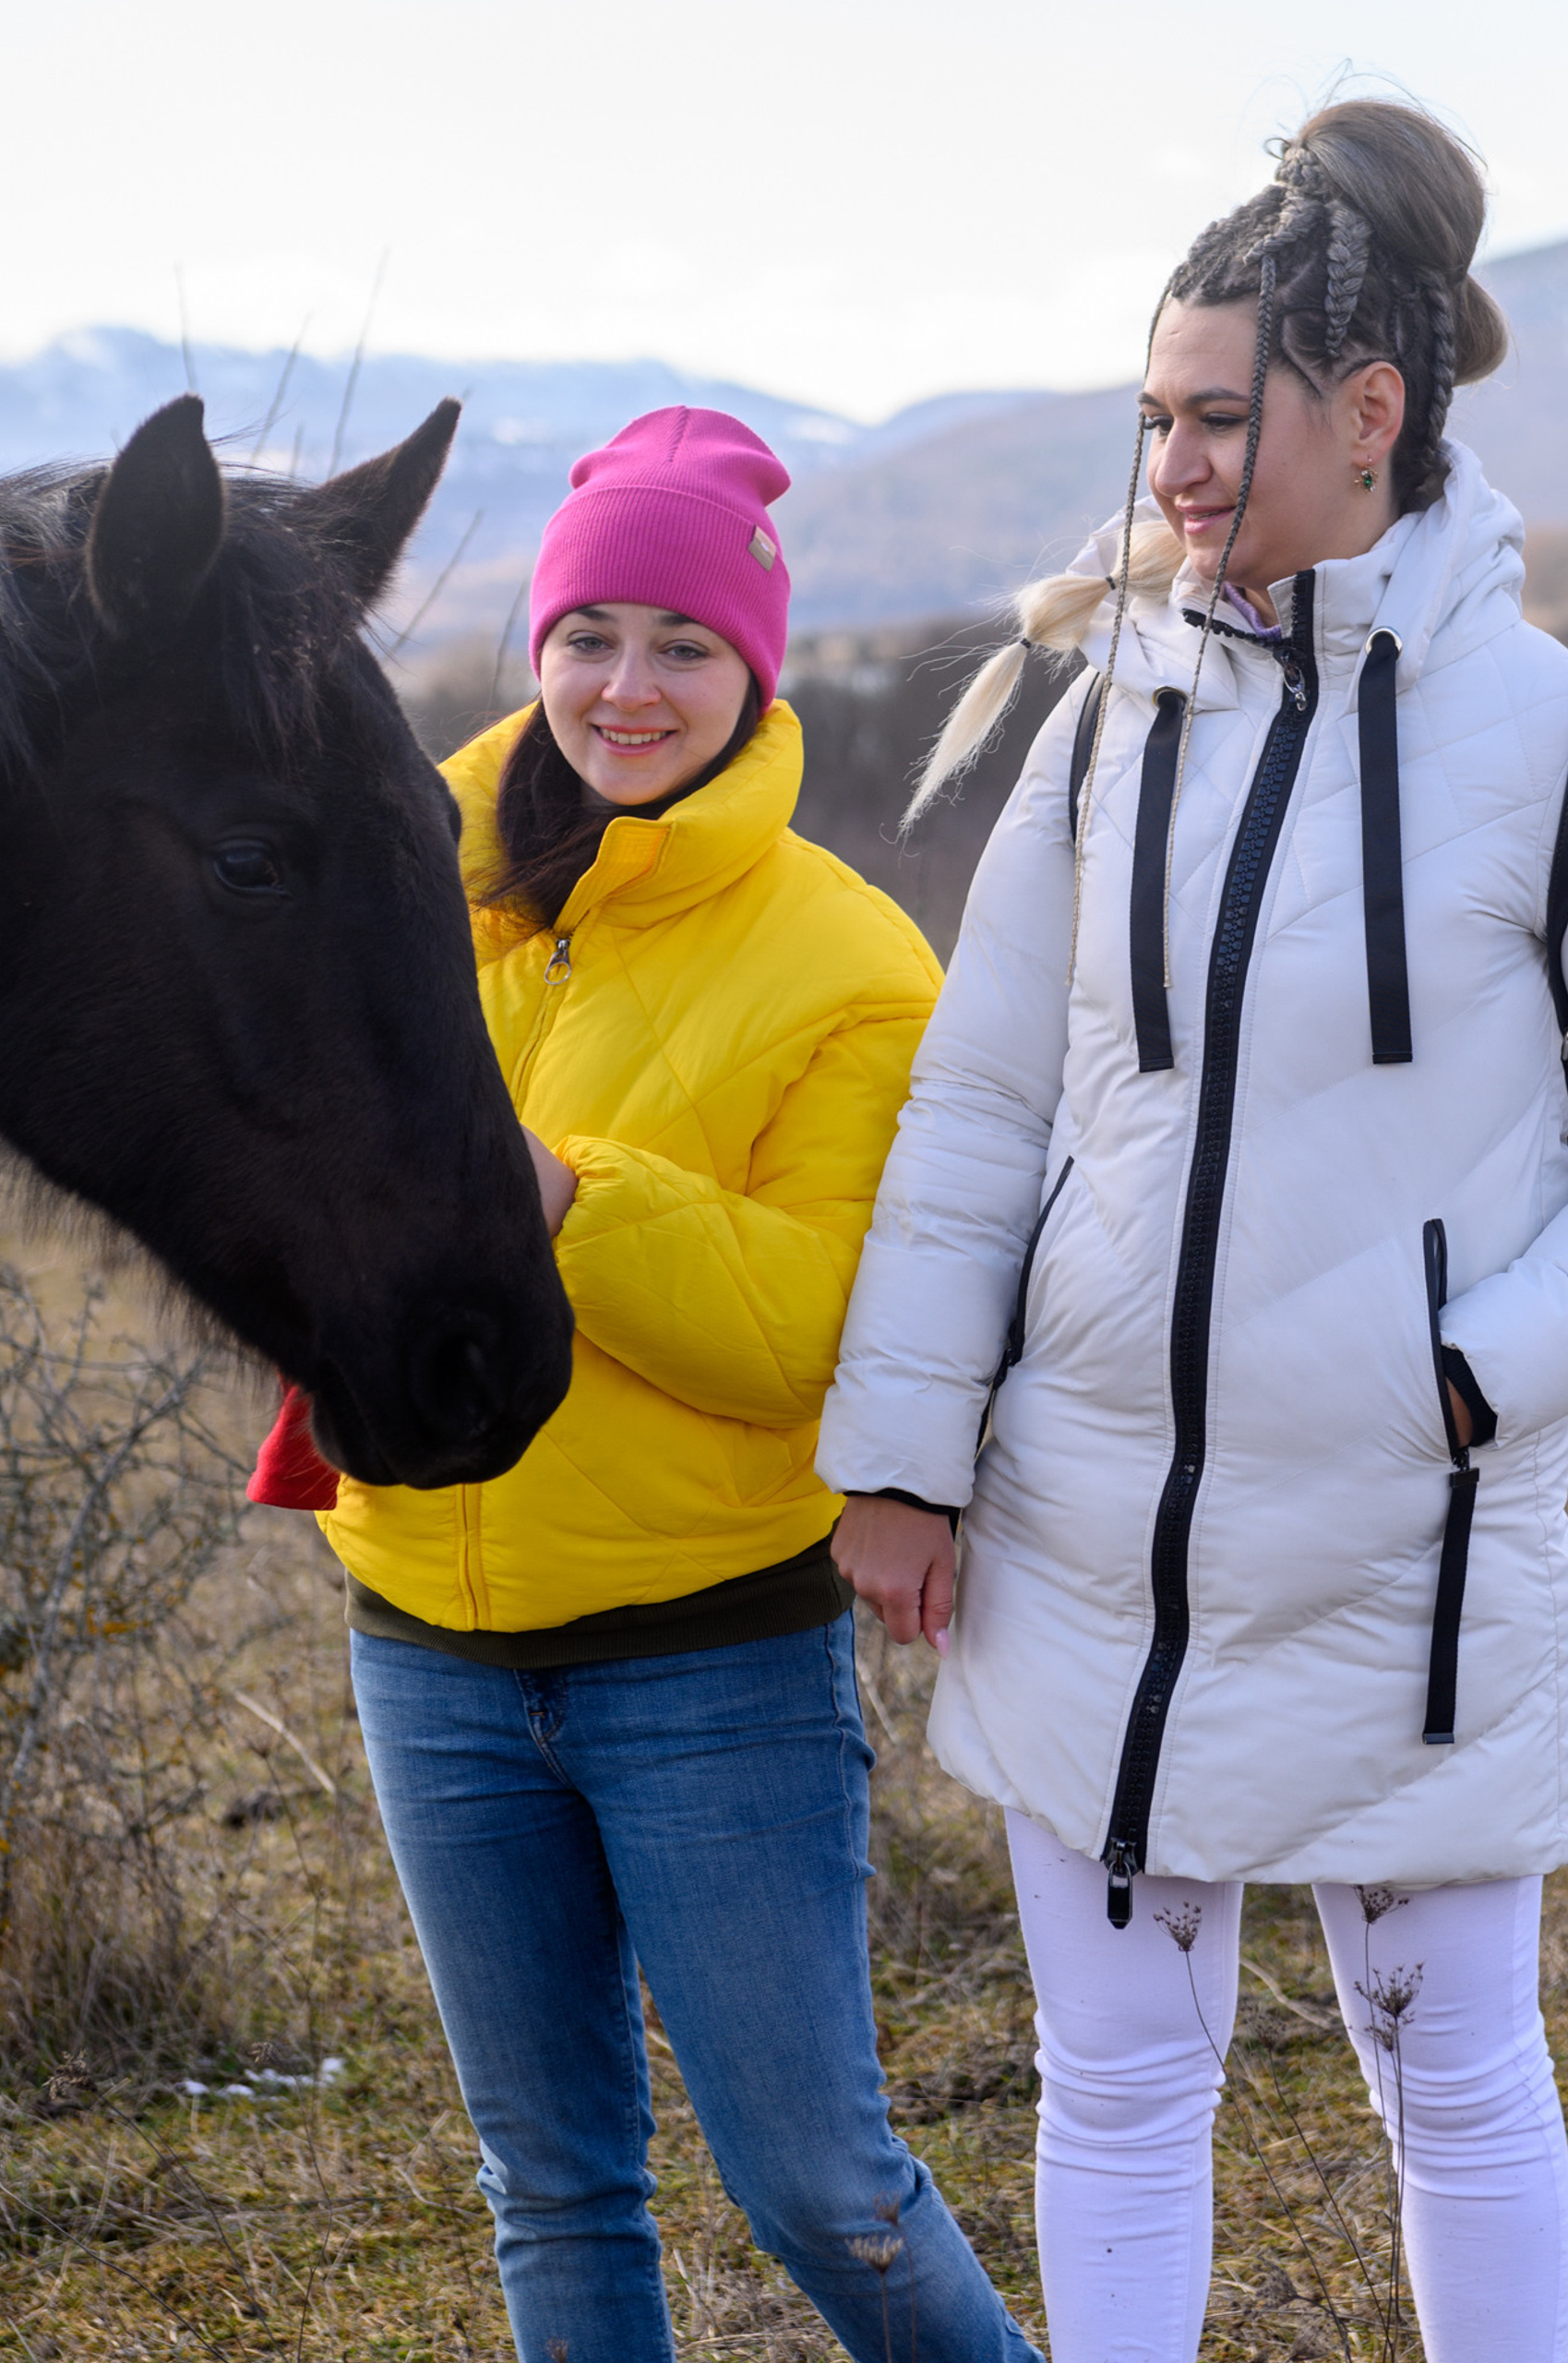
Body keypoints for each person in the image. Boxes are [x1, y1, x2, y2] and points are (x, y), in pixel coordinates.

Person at [819, 101, 1568, 2363]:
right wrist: (901, 1446)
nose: (1165, 465)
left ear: (1368, 418)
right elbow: (979, 1102)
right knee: (1118, 2084)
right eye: (1147, 411)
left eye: (1211, 415)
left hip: (1403, 1556)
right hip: (1091, 1553)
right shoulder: (1096, 733)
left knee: (1449, 2080)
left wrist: (1465, 1366)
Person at [250, 407, 1041, 2363]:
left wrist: (559, 1195)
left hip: (704, 1663)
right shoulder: (389, 883)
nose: (625, 684)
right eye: (587, 631)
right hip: (422, 1631)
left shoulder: (851, 964)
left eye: (680, 644)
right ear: (535, 644)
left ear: (750, 668)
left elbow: (808, 1331)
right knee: (557, 2188)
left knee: (822, 2189)